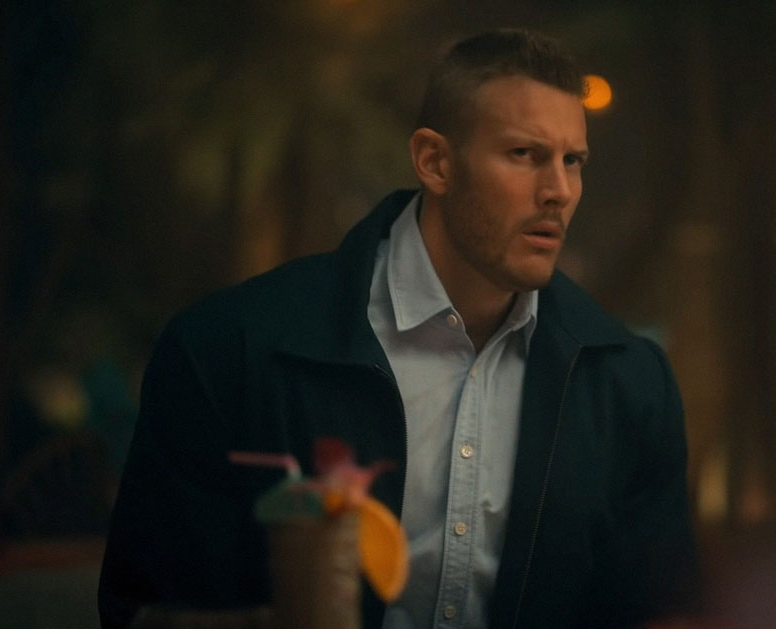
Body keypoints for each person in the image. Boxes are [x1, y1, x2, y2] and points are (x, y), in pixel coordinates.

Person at [99, 28, 699, 629]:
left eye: (573, 161)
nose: (559, 192)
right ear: (434, 162)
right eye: (525, 154)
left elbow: (658, 611)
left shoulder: (628, 383)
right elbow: (146, 606)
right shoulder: (228, 348)